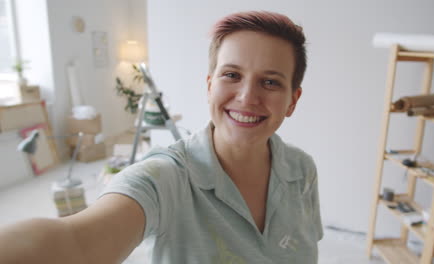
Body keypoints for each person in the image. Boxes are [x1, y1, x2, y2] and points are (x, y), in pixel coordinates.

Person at [0, 10, 322, 263]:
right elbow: (75, 244)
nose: (247, 97)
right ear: (210, 86)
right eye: (232, 75)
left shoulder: (302, 169)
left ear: (293, 100)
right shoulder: (166, 178)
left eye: (270, 82)